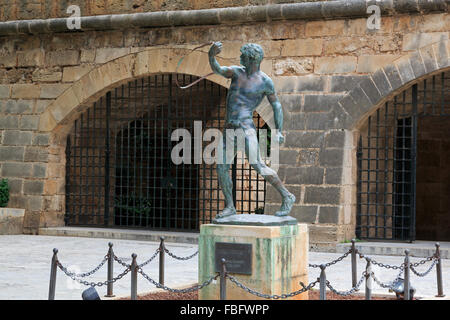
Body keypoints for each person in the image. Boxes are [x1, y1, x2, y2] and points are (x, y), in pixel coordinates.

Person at [209, 42, 296, 218]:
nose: (240, 59)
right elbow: (218, 69)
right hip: (229, 129)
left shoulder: (265, 82)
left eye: (243, 56)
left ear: (250, 59)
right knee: (221, 168)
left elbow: (276, 105)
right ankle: (230, 206)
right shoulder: (236, 72)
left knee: (259, 166)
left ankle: (287, 196)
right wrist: (211, 56)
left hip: (246, 127)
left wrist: (278, 130)